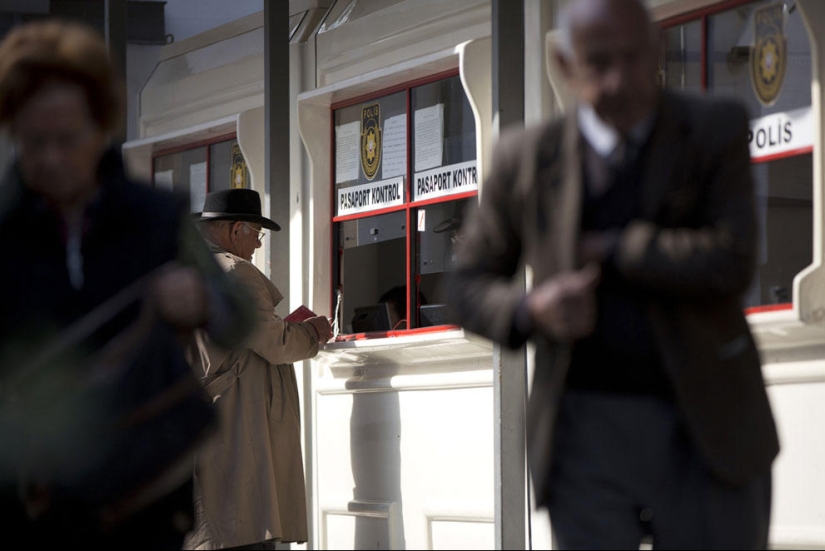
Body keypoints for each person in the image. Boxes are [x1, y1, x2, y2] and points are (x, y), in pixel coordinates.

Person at [447, 0, 779, 549]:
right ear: (564, 62)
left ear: (656, 49)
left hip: (708, 425)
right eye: (599, 62)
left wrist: (622, 248)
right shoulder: (524, 158)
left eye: (633, 57)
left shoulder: (712, 130)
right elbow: (464, 288)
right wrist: (533, 308)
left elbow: (733, 258)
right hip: (583, 434)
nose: (620, 79)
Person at [0, 19, 254, 549]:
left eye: (65, 138)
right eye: (33, 140)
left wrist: (200, 299)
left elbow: (238, 318)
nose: (49, 157)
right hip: (34, 488)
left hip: (144, 488)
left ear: (99, 128)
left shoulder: (156, 219)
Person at [185, 189, 333, 550]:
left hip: (200, 427)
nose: (256, 245)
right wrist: (312, 332)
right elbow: (275, 342)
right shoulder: (235, 272)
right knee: (242, 530)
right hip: (236, 430)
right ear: (236, 231)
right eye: (256, 234)